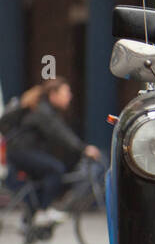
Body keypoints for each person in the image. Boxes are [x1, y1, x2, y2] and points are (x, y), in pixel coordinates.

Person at [3, 77, 101, 225]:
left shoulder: (45, 109)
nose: (70, 96)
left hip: (22, 152)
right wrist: (83, 148)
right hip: (21, 152)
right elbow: (60, 133)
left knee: (42, 182)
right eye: (66, 92)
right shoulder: (43, 111)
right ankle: (43, 212)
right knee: (55, 169)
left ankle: (28, 223)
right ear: (53, 95)